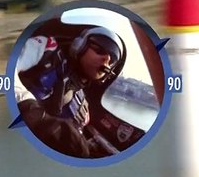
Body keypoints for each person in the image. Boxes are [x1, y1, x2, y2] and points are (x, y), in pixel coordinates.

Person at [13, 23, 127, 159]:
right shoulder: (47, 48)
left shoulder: (82, 109)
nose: (107, 59)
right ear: (80, 45)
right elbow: (3, 75)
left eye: (113, 58)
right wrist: (34, 114)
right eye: (101, 48)